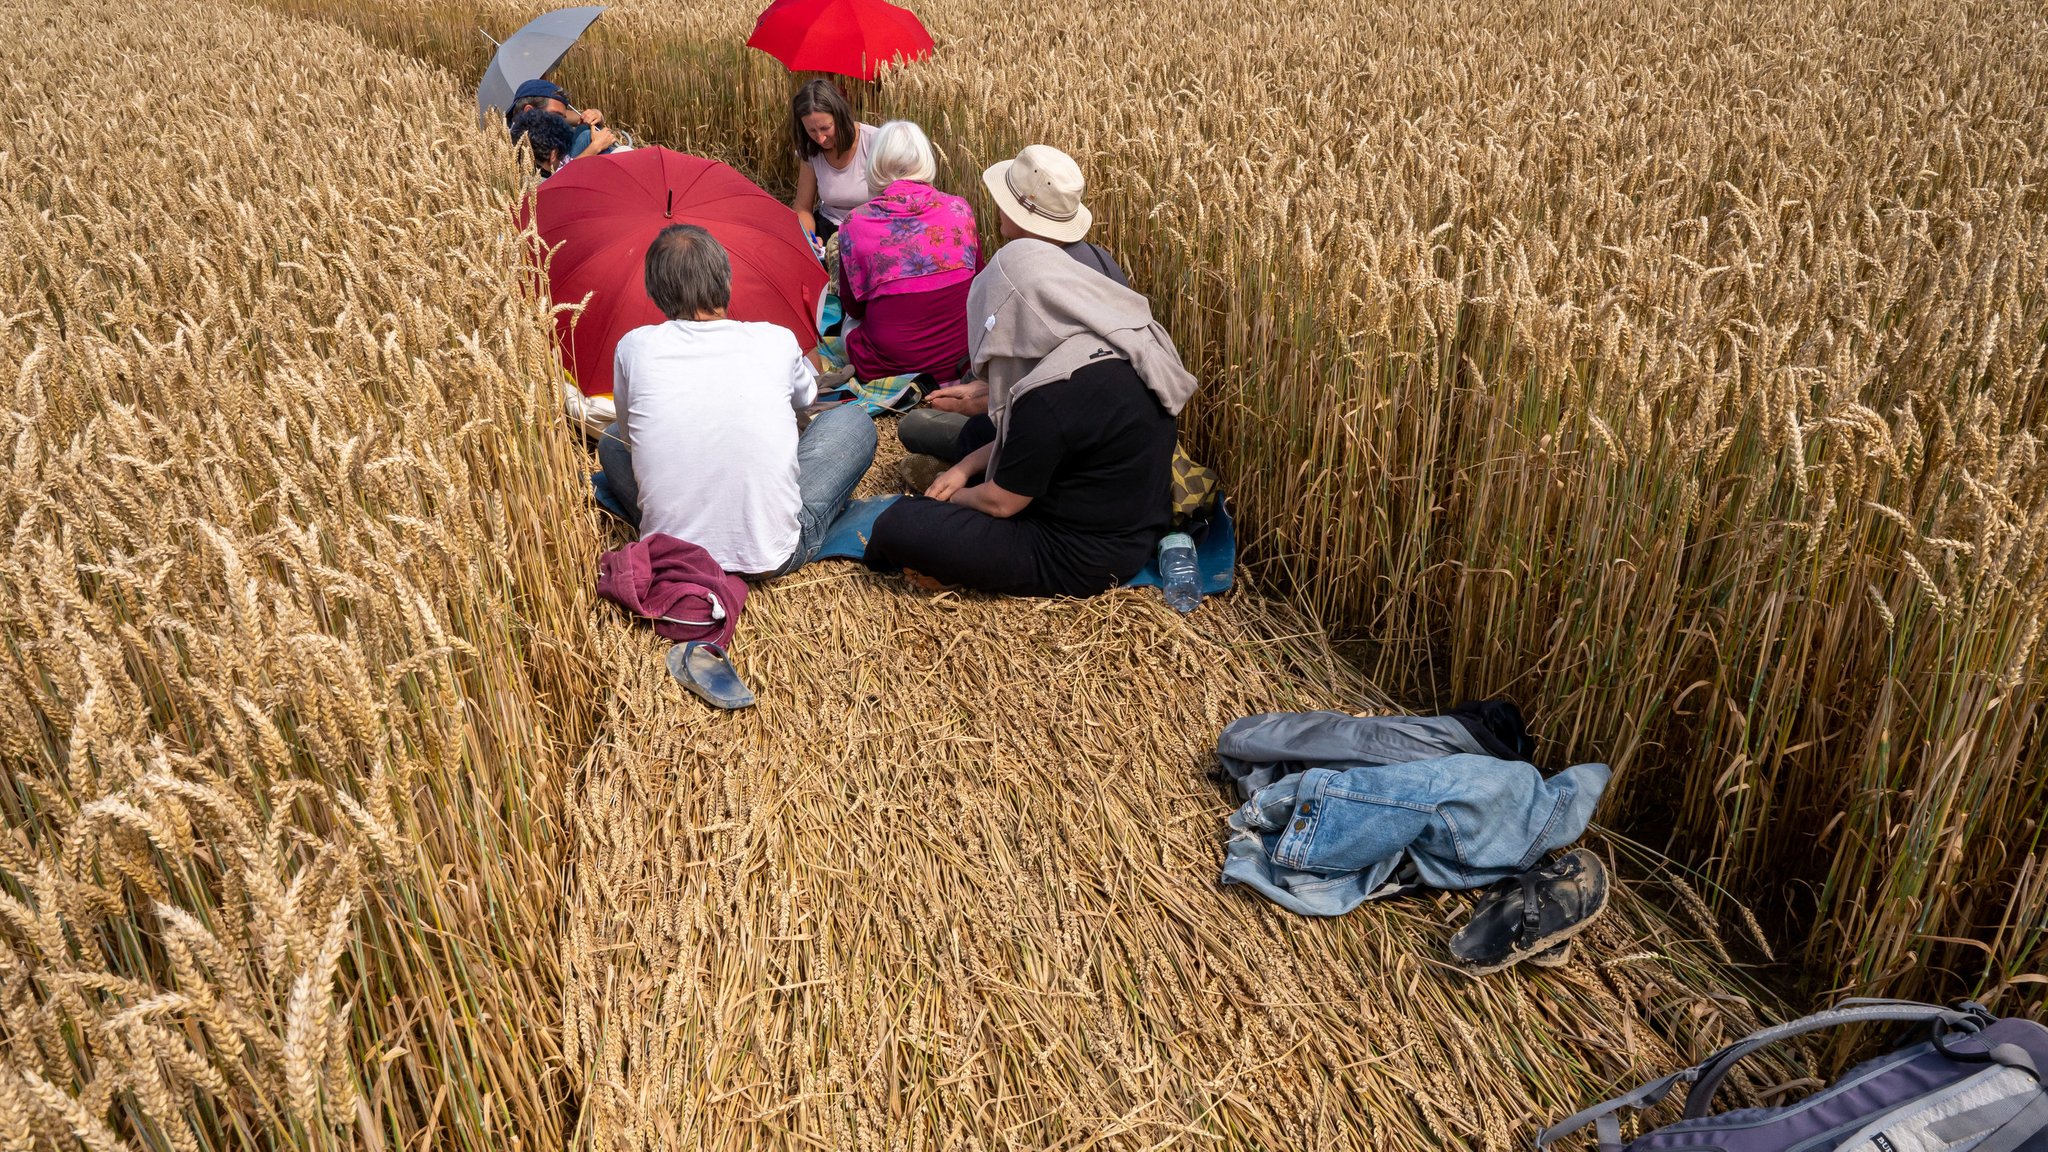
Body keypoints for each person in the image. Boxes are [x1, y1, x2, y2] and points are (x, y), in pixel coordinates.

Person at [862, 239, 1195, 596]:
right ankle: (964, 474)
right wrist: (964, 469)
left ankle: (941, 508)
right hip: (1122, 504)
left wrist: (954, 497)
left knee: (898, 525)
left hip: (1083, 553)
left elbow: (1000, 504)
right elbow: (1051, 434)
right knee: (980, 433)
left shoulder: (1051, 396)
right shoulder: (1119, 338)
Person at [596, 224, 877, 578]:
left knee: (610, 440)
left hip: (672, 552)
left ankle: (680, 529)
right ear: (727, 282)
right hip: (771, 553)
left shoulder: (633, 346)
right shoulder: (775, 339)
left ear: (656, 295)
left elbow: (627, 431)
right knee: (853, 422)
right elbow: (807, 398)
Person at [899, 144, 1129, 461]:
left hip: (1056, 438)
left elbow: (1038, 398)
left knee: (914, 427)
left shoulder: (1019, 275)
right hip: (1111, 418)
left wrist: (973, 403)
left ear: (1020, 213)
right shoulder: (1102, 261)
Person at [834, 120, 979, 384]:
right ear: (925, 159)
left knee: (848, 326)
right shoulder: (960, 208)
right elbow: (978, 282)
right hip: (959, 360)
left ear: (875, 164)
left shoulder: (854, 223)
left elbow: (853, 308)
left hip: (889, 366)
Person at [788, 79, 874, 245]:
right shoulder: (811, 150)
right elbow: (803, 207)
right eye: (812, 130)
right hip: (829, 229)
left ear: (840, 117)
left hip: (870, 231)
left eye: (826, 128)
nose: (820, 138)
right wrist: (809, 239)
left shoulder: (875, 141)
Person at [505, 77, 619, 160]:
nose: (562, 123)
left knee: (585, 131)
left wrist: (596, 114)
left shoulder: (536, 124)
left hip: (568, 162)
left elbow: (581, 118)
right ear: (530, 111)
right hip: (564, 177)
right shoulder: (518, 144)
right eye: (556, 116)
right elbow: (553, 181)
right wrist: (595, 148)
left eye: (562, 118)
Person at [508, 108, 581, 178]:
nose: (561, 163)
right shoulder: (551, 186)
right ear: (553, 155)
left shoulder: (507, 179)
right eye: (561, 158)